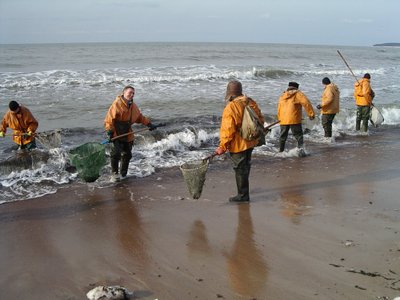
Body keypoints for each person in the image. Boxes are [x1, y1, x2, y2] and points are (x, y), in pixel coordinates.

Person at [214, 80, 265, 202]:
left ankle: (243, 195)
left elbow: (228, 129)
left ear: (229, 93)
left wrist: (223, 146)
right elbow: (260, 119)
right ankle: (244, 191)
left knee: (240, 168)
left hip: (239, 144)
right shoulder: (250, 101)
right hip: (251, 140)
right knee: (246, 165)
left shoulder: (231, 107)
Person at [104, 85, 156, 182]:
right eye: (130, 93)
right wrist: (110, 131)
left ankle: (123, 174)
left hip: (127, 133)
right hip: (116, 133)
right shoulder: (116, 104)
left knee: (127, 154)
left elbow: (139, 117)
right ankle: (114, 174)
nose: (132, 95)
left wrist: (149, 124)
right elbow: (109, 120)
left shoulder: (133, 106)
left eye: (133, 93)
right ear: (124, 93)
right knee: (116, 154)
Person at [277, 82, 315, 152]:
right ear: (297, 88)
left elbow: (279, 107)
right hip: (294, 119)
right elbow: (306, 103)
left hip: (283, 119)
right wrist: (311, 114)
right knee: (298, 136)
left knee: (283, 136)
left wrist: (279, 118)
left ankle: (281, 151)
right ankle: (301, 151)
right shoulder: (298, 94)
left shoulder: (283, 95)